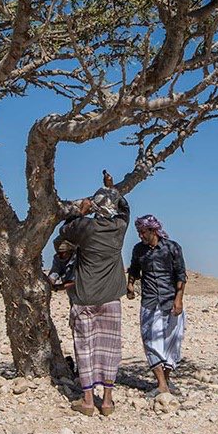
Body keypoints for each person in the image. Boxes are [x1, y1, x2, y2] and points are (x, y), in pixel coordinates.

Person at [57, 170, 131, 416]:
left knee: (85, 348)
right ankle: (107, 401)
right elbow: (125, 210)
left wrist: (81, 211)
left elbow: (64, 232)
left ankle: (88, 400)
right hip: (111, 298)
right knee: (110, 348)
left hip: (85, 297)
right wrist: (112, 189)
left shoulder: (85, 227)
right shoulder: (119, 227)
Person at [127, 214, 186, 396]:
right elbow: (134, 269)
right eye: (139, 232)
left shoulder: (172, 247)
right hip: (149, 302)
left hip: (170, 301)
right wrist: (130, 285)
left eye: (143, 232)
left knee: (172, 342)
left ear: (153, 230)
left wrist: (179, 299)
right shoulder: (139, 250)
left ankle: (165, 381)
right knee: (150, 342)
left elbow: (181, 275)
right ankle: (161, 384)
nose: (140, 236)